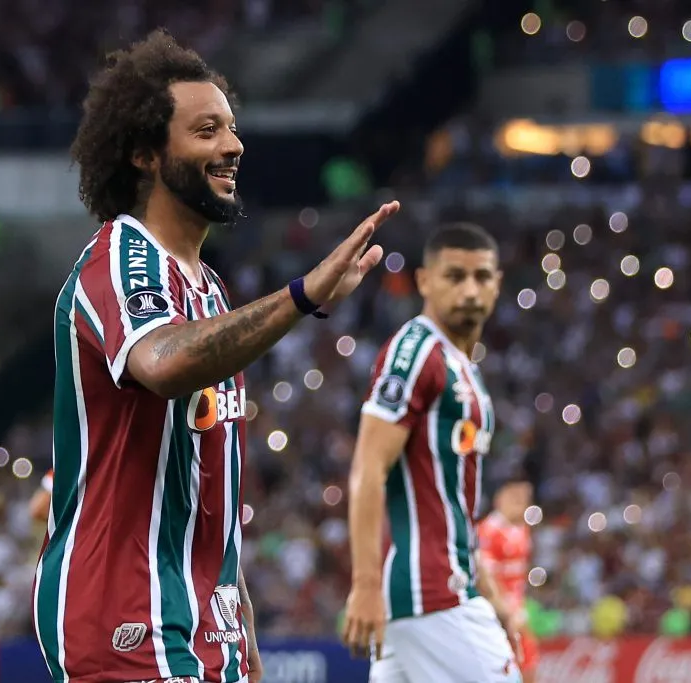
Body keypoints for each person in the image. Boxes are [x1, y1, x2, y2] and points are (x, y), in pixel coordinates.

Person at [32, 29, 400, 683]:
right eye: (206, 131)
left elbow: (211, 487)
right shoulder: (124, 255)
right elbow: (164, 363)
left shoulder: (208, 287)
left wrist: (242, 625)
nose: (233, 146)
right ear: (145, 154)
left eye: (231, 128)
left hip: (206, 624)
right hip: (128, 619)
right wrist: (303, 294)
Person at [342, 223, 522, 682]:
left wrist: (494, 596)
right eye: (454, 275)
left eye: (482, 277)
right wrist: (363, 584)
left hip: (432, 593)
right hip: (434, 596)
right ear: (424, 281)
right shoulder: (416, 351)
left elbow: (452, 507)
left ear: (497, 284)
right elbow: (368, 468)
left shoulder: (463, 367)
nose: (469, 289)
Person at [479, 476, 538, 683]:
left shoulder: (522, 529)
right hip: (496, 614)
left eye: (526, 497)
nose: (522, 502)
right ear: (500, 498)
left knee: (528, 666)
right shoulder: (489, 531)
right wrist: (507, 612)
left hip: (516, 611)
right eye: (516, 496)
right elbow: (487, 579)